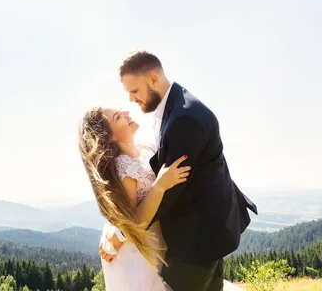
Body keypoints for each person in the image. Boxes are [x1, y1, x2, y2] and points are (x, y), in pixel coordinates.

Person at [101, 50, 257, 291]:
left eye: (134, 91)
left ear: (153, 79)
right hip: (206, 231)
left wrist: (124, 232)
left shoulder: (184, 118)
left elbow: (169, 189)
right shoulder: (175, 107)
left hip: (196, 242)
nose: (131, 100)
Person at [79, 107, 191, 290]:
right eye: (118, 117)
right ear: (111, 138)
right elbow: (134, 222)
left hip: (155, 246)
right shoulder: (123, 166)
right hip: (137, 255)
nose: (127, 113)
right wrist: (161, 185)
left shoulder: (145, 149)